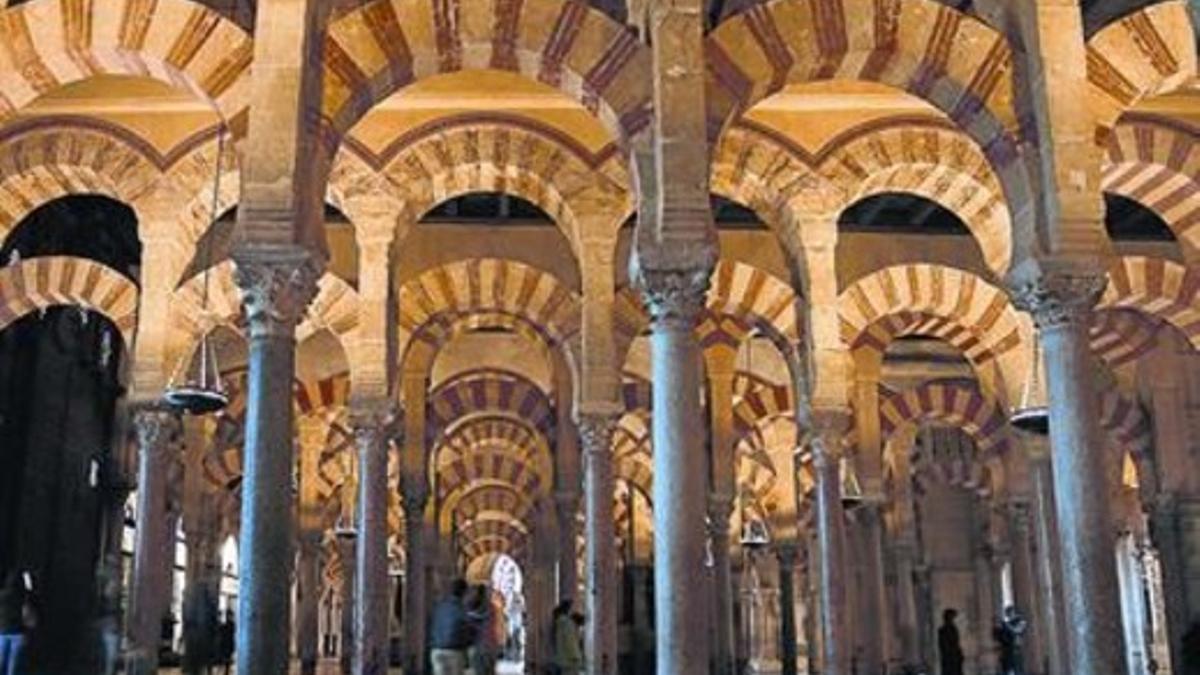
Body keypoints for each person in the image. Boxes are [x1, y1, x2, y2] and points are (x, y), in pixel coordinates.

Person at [429, 579, 473, 675]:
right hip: (454, 651)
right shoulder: (462, 609)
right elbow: (467, 631)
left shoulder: (440, 605)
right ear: (464, 593)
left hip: (436, 649)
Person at [467, 585, 504, 675]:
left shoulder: (468, 607)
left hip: (477, 646)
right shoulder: (493, 608)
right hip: (490, 645)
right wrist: (500, 643)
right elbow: (498, 627)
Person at [0, 572, 31, 675]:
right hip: (18, 632)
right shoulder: (24, 597)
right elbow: (30, 591)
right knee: (13, 667)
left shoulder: (2, 595)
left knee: (1, 663)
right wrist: (27, 579)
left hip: (3, 631)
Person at [551, 600, 583, 675]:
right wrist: (576, 657)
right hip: (570, 661)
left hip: (562, 660)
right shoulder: (567, 624)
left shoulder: (559, 622)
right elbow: (570, 641)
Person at [995, 605, 1027, 675]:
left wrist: (1006, 626)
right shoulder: (1007, 624)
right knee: (1007, 670)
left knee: (1017, 669)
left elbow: (1017, 631)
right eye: (1008, 613)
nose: (1009, 615)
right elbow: (1000, 637)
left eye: (1010, 612)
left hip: (1016, 649)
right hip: (1007, 650)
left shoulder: (1020, 621)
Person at [937, 608, 964, 675]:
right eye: (951, 617)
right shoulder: (943, 630)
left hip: (954, 658)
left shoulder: (953, 629)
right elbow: (944, 646)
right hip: (949, 659)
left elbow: (956, 643)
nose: (952, 619)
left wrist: (959, 654)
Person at [216, 609, 235, 675]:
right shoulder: (231, 625)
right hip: (227, 645)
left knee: (225, 661)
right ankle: (225, 672)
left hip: (226, 645)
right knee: (226, 661)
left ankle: (224, 672)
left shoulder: (225, 625)